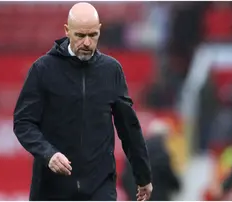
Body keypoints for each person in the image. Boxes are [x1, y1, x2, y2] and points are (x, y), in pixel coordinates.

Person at [13, 2, 153, 201]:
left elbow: (128, 126)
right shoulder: (43, 69)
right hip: (52, 188)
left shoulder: (111, 70)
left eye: (92, 35)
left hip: (99, 187)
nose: (87, 42)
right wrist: (48, 154)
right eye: (80, 36)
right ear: (67, 31)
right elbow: (23, 122)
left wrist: (143, 175)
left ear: (99, 31)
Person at [121, 119, 180, 201]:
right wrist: (177, 185)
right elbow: (168, 175)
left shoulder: (135, 149)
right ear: (163, 136)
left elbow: (124, 177)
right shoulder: (161, 152)